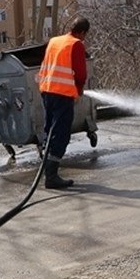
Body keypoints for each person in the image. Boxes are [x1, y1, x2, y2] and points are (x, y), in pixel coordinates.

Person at [38, 17, 89, 189]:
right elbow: (81, 73)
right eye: (84, 36)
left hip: (47, 91)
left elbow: (45, 65)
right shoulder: (76, 44)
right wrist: (79, 89)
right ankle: (51, 177)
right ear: (82, 32)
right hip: (62, 94)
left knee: (49, 130)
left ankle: (47, 170)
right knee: (60, 134)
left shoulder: (54, 41)